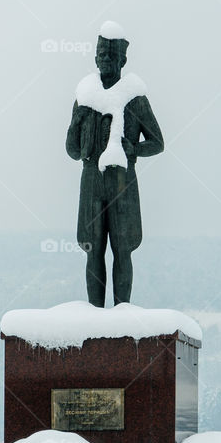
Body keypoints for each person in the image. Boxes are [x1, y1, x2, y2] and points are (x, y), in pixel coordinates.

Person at [65, 21, 164, 307]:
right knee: (92, 249)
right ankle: (94, 314)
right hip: (92, 180)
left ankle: (123, 312)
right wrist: (78, 120)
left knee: (122, 250)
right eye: (100, 55)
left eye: (110, 56)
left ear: (122, 60)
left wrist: (133, 149)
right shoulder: (84, 99)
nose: (104, 60)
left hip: (122, 180)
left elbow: (157, 142)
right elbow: (72, 151)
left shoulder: (135, 99)